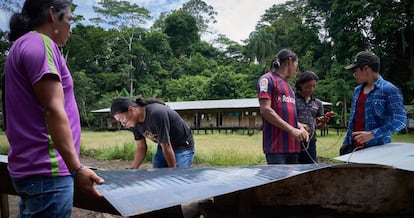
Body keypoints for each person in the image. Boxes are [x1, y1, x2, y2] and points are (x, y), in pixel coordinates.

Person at [2, 0, 104, 217]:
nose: (71, 28)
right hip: (48, 172)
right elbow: (54, 110)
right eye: (69, 19)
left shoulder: (20, 46)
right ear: (52, 14)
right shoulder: (41, 45)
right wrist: (77, 169)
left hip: (32, 170)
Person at [340, 50, 407, 155]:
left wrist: (372, 134)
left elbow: (400, 120)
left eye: (356, 70)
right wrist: (346, 144)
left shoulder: (389, 90)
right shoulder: (357, 90)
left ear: (366, 68)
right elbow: (354, 120)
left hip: (377, 150)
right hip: (353, 148)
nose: (354, 74)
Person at [110, 96, 195, 168]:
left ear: (131, 109)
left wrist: (172, 172)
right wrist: (132, 169)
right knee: (157, 177)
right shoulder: (133, 122)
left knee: (178, 179)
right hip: (163, 148)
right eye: (119, 121)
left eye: (122, 119)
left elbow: (167, 146)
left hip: (182, 147)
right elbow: (141, 147)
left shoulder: (156, 113)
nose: (123, 124)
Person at [257, 48, 309, 164]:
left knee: (293, 182)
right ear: (290, 61)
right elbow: (265, 110)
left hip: (293, 147)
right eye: (296, 64)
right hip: (276, 148)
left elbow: (285, 114)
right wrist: (292, 129)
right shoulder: (267, 80)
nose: (296, 69)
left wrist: (299, 126)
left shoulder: (288, 87)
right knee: (279, 181)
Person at [295, 71, 330, 163]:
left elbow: (320, 126)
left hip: (311, 141)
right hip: (294, 140)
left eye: (314, 86)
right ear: (300, 85)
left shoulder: (317, 103)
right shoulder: (292, 99)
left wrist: (323, 122)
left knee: (310, 169)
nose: (311, 89)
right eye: (307, 86)